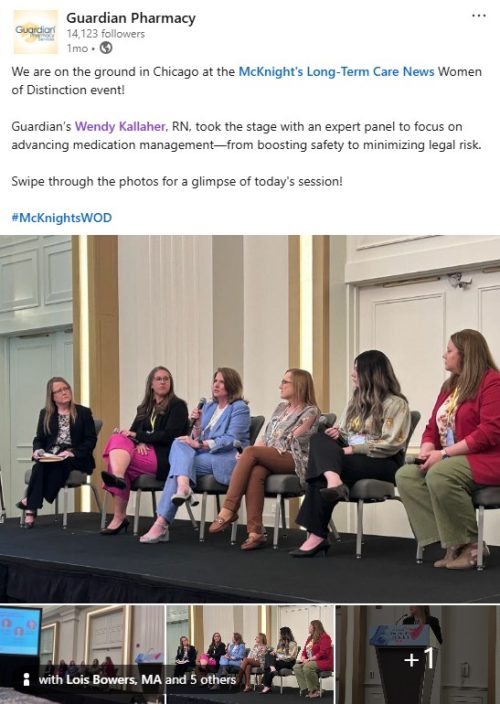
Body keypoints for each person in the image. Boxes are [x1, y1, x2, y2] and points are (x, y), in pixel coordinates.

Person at [397, 329, 500, 570]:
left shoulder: (492, 382)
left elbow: (489, 432)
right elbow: (432, 427)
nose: (444, 355)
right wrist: (427, 449)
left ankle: (471, 545)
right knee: (406, 475)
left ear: (465, 354)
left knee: (441, 472)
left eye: (449, 350)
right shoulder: (449, 386)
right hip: (453, 459)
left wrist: (443, 454)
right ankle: (451, 541)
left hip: (488, 459)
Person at [291, 350, 410, 557]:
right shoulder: (355, 401)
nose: (352, 374)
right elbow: (347, 433)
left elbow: (391, 443)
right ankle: (333, 481)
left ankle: (316, 535)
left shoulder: (396, 404)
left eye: (357, 369)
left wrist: (354, 448)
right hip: (351, 456)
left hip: (384, 461)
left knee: (322, 468)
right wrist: (339, 434)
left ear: (371, 373)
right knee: (319, 439)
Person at [209, 368, 320, 550]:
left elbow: (291, 439)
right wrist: (248, 453)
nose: (280, 386)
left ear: (299, 385)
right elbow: (266, 436)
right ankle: (255, 532)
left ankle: (228, 509)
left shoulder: (311, 411)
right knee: (255, 471)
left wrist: (253, 452)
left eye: (285, 382)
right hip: (273, 455)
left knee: (251, 453)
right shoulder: (281, 408)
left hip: (295, 458)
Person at [140, 368, 250, 543]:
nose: (216, 385)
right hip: (203, 454)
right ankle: (183, 487)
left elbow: (232, 439)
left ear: (231, 385)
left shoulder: (239, 408)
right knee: (178, 442)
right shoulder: (209, 406)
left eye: (221, 382)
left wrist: (199, 444)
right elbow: (197, 437)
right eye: (215, 381)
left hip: (225, 458)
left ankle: (162, 522)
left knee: (178, 470)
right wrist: (197, 425)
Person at [100, 366, 188, 535]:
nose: (163, 382)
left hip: (165, 457)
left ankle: (119, 515)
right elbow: (132, 434)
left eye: (166, 379)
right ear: (151, 385)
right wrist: (138, 441)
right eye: (159, 379)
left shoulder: (177, 406)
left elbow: (170, 436)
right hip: (145, 454)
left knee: (117, 457)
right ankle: (118, 478)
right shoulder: (144, 408)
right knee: (118, 438)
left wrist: (140, 437)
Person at [16, 377, 97, 528]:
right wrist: (37, 450)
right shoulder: (46, 413)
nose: (64, 392)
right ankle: (32, 506)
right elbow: (39, 438)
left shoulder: (83, 412)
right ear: (52, 396)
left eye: (66, 388)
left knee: (60, 462)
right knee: (40, 464)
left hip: (76, 457)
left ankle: (30, 505)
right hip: (52, 454)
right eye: (59, 390)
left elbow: (90, 440)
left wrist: (73, 452)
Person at [293, 620, 333, 698]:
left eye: (310, 626)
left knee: (307, 666)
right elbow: (304, 651)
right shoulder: (309, 638)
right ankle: (307, 689)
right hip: (311, 661)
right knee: (296, 667)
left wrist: (309, 659)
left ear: (315, 627)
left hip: (324, 661)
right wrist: (303, 658)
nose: (308, 627)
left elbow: (323, 653)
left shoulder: (325, 637)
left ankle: (316, 689)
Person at [261, 626, 298, 693]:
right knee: (269, 653)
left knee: (268, 665)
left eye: (280, 633)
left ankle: (267, 686)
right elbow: (278, 652)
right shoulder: (281, 643)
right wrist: (274, 653)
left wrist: (279, 658)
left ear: (284, 634)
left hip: (289, 662)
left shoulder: (292, 643)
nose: (279, 635)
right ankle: (272, 668)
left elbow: (291, 657)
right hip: (279, 660)